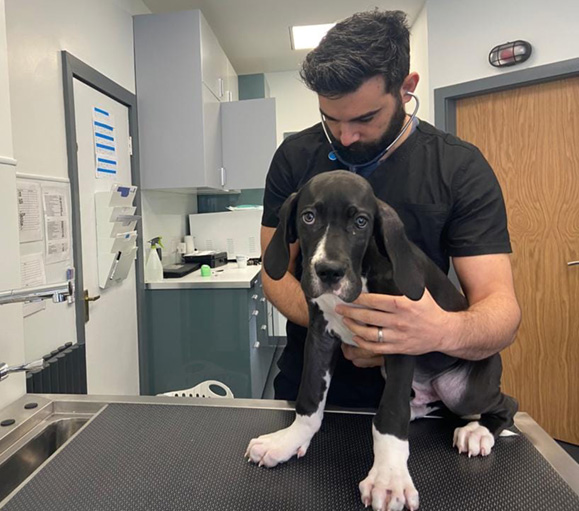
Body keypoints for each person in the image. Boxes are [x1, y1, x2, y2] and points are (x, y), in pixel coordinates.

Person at [260, 9, 521, 409]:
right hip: (312, 387)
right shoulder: (294, 158)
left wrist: (438, 331)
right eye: (330, 119)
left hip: (419, 400)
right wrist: (347, 326)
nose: (346, 136)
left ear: (406, 87)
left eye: (365, 118)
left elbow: (500, 311)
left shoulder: (459, 168)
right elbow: (274, 274)